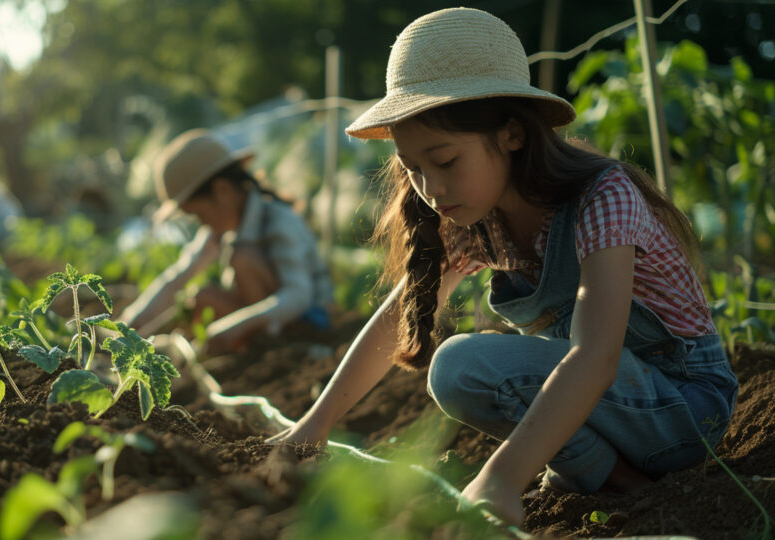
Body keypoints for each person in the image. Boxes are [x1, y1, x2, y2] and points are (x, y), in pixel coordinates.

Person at [267, 7, 738, 528]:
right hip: (610, 409)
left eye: (445, 162)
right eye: (414, 169)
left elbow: (596, 356)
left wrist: (502, 477)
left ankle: (606, 472)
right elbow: (399, 314)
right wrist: (314, 425)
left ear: (513, 134)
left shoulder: (602, 198)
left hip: (684, 409)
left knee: (467, 361)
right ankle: (619, 478)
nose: (431, 188)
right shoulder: (475, 220)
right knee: (457, 373)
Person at [118, 129, 333, 353]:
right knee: (202, 298)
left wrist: (232, 327)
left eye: (200, 214)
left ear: (221, 190)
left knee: (242, 259)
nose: (202, 223)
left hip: (310, 320)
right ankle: (251, 347)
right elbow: (179, 278)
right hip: (269, 321)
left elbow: (298, 296)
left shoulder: (279, 220)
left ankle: (278, 348)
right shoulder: (218, 232)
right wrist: (127, 325)